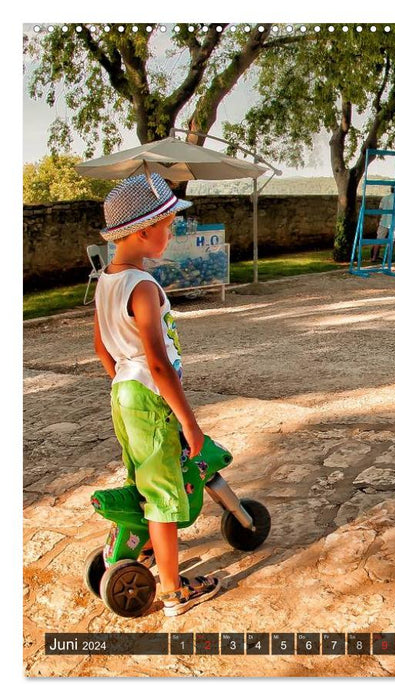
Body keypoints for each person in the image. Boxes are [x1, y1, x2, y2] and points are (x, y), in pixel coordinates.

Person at [92, 173, 220, 616]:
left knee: (143, 481)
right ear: (144, 231)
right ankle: (172, 592)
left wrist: (123, 380)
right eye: (168, 225)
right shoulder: (142, 287)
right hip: (150, 398)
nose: (172, 231)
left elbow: (101, 347)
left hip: (123, 394)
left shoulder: (107, 280)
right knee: (165, 493)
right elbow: (159, 363)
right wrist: (188, 421)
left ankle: (144, 551)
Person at [373, 187, 395, 262]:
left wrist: (377, 220)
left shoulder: (384, 198)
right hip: (393, 223)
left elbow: (380, 210)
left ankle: (374, 257)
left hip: (383, 222)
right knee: (392, 241)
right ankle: (388, 258)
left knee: (378, 240)